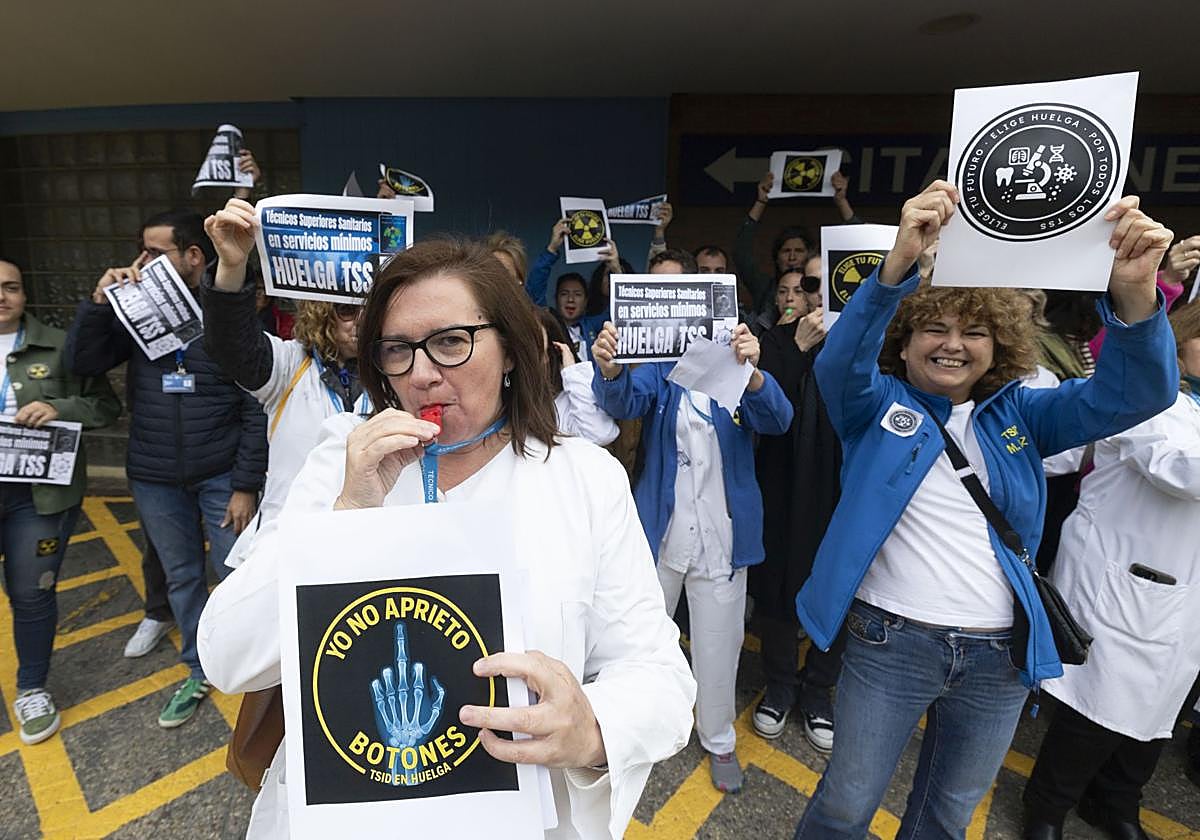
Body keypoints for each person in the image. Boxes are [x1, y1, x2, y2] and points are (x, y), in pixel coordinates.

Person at [197, 238, 695, 839]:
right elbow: (227, 655)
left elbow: (658, 678)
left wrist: (591, 725)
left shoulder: (582, 479)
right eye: (398, 350)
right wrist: (346, 517)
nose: (424, 374)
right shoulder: (340, 460)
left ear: (510, 349)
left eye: (452, 342)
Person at [791, 181, 1177, 840]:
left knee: (947, 815)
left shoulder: (1024, 413)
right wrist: (896, 269)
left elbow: (1137, 394)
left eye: (974, 331)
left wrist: (1137, 293)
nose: (953, 344)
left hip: (1000, 658)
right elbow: (840, 363)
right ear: (905, 342)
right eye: (934, 327)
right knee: (845, 807)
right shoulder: (873, 406)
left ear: (999, 344)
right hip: (889, 645)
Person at [591, 251, 793, 794]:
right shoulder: (656, 366)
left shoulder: (734, 355)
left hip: (724, 538)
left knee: (719, 642)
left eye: (678, 288)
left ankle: (718, 737)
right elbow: (624, 401)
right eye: (656, 290)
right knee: (638, 640)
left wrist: (752, 375)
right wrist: (609, 368)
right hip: (661, 531)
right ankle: (634, 731)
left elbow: (778, 419)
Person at [65, 210, 267, 729]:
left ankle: (248, 668)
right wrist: (97, 304)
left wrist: (245, 484)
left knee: (234, 570)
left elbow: (254, 405)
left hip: (222, 475)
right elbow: (82, 364)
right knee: (181, 576)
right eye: (141, 252)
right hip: (155, 477)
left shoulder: (225, 315)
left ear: (193, 256)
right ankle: (198, 669)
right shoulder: (130, 313)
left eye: (155, 253)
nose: (141, 263)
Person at [1021, 300, 1200, 840]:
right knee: (1098, 707)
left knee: (1161, 711)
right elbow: (1179, 472)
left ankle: (1116, 802)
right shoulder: (1152, 399)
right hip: (1126, 578)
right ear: (1180, 338)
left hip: (1182, 593)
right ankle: (1046, 808)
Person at [201, 197, 372, 565]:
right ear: (322, 311)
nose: (361, 321)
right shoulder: (287, 366)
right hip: (291, 546)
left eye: (373, 310)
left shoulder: (402, 372)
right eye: (346, 310)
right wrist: (233, 265)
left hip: (370, 543)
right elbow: (229, 342)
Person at [0, 259, 120, 744]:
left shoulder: (59, 346)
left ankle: (32, 688)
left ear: (25, 294)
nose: (2, 296)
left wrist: (59, 408)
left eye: (11, 287)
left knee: (31, 594)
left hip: (38, 496)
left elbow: (106, 406)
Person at [751, 264, 843, 754]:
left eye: (811, 286)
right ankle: (782, 683)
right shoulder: (771, 342)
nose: (803, 295)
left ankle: (818, 690)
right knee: (779, 586)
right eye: (790, 287)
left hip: (840, 484)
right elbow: (767, 414)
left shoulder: (860, 339)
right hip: (782, 480)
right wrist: (797, 348)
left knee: (840, 585)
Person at [734, 170, 857, 313]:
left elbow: (865, 250)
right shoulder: (766, 288)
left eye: (799, 251)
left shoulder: (826, 290)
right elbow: (741, 252)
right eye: (786, 251)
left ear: (810, 256)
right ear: (777, 257)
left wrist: (842, 202)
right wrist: (761, 201)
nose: (792, 257)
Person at [534, 307, 619, 447]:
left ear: (553, 350)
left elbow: (600, 434)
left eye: (534, 341)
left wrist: (571, 371)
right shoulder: (504, 394)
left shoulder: (565, 401)